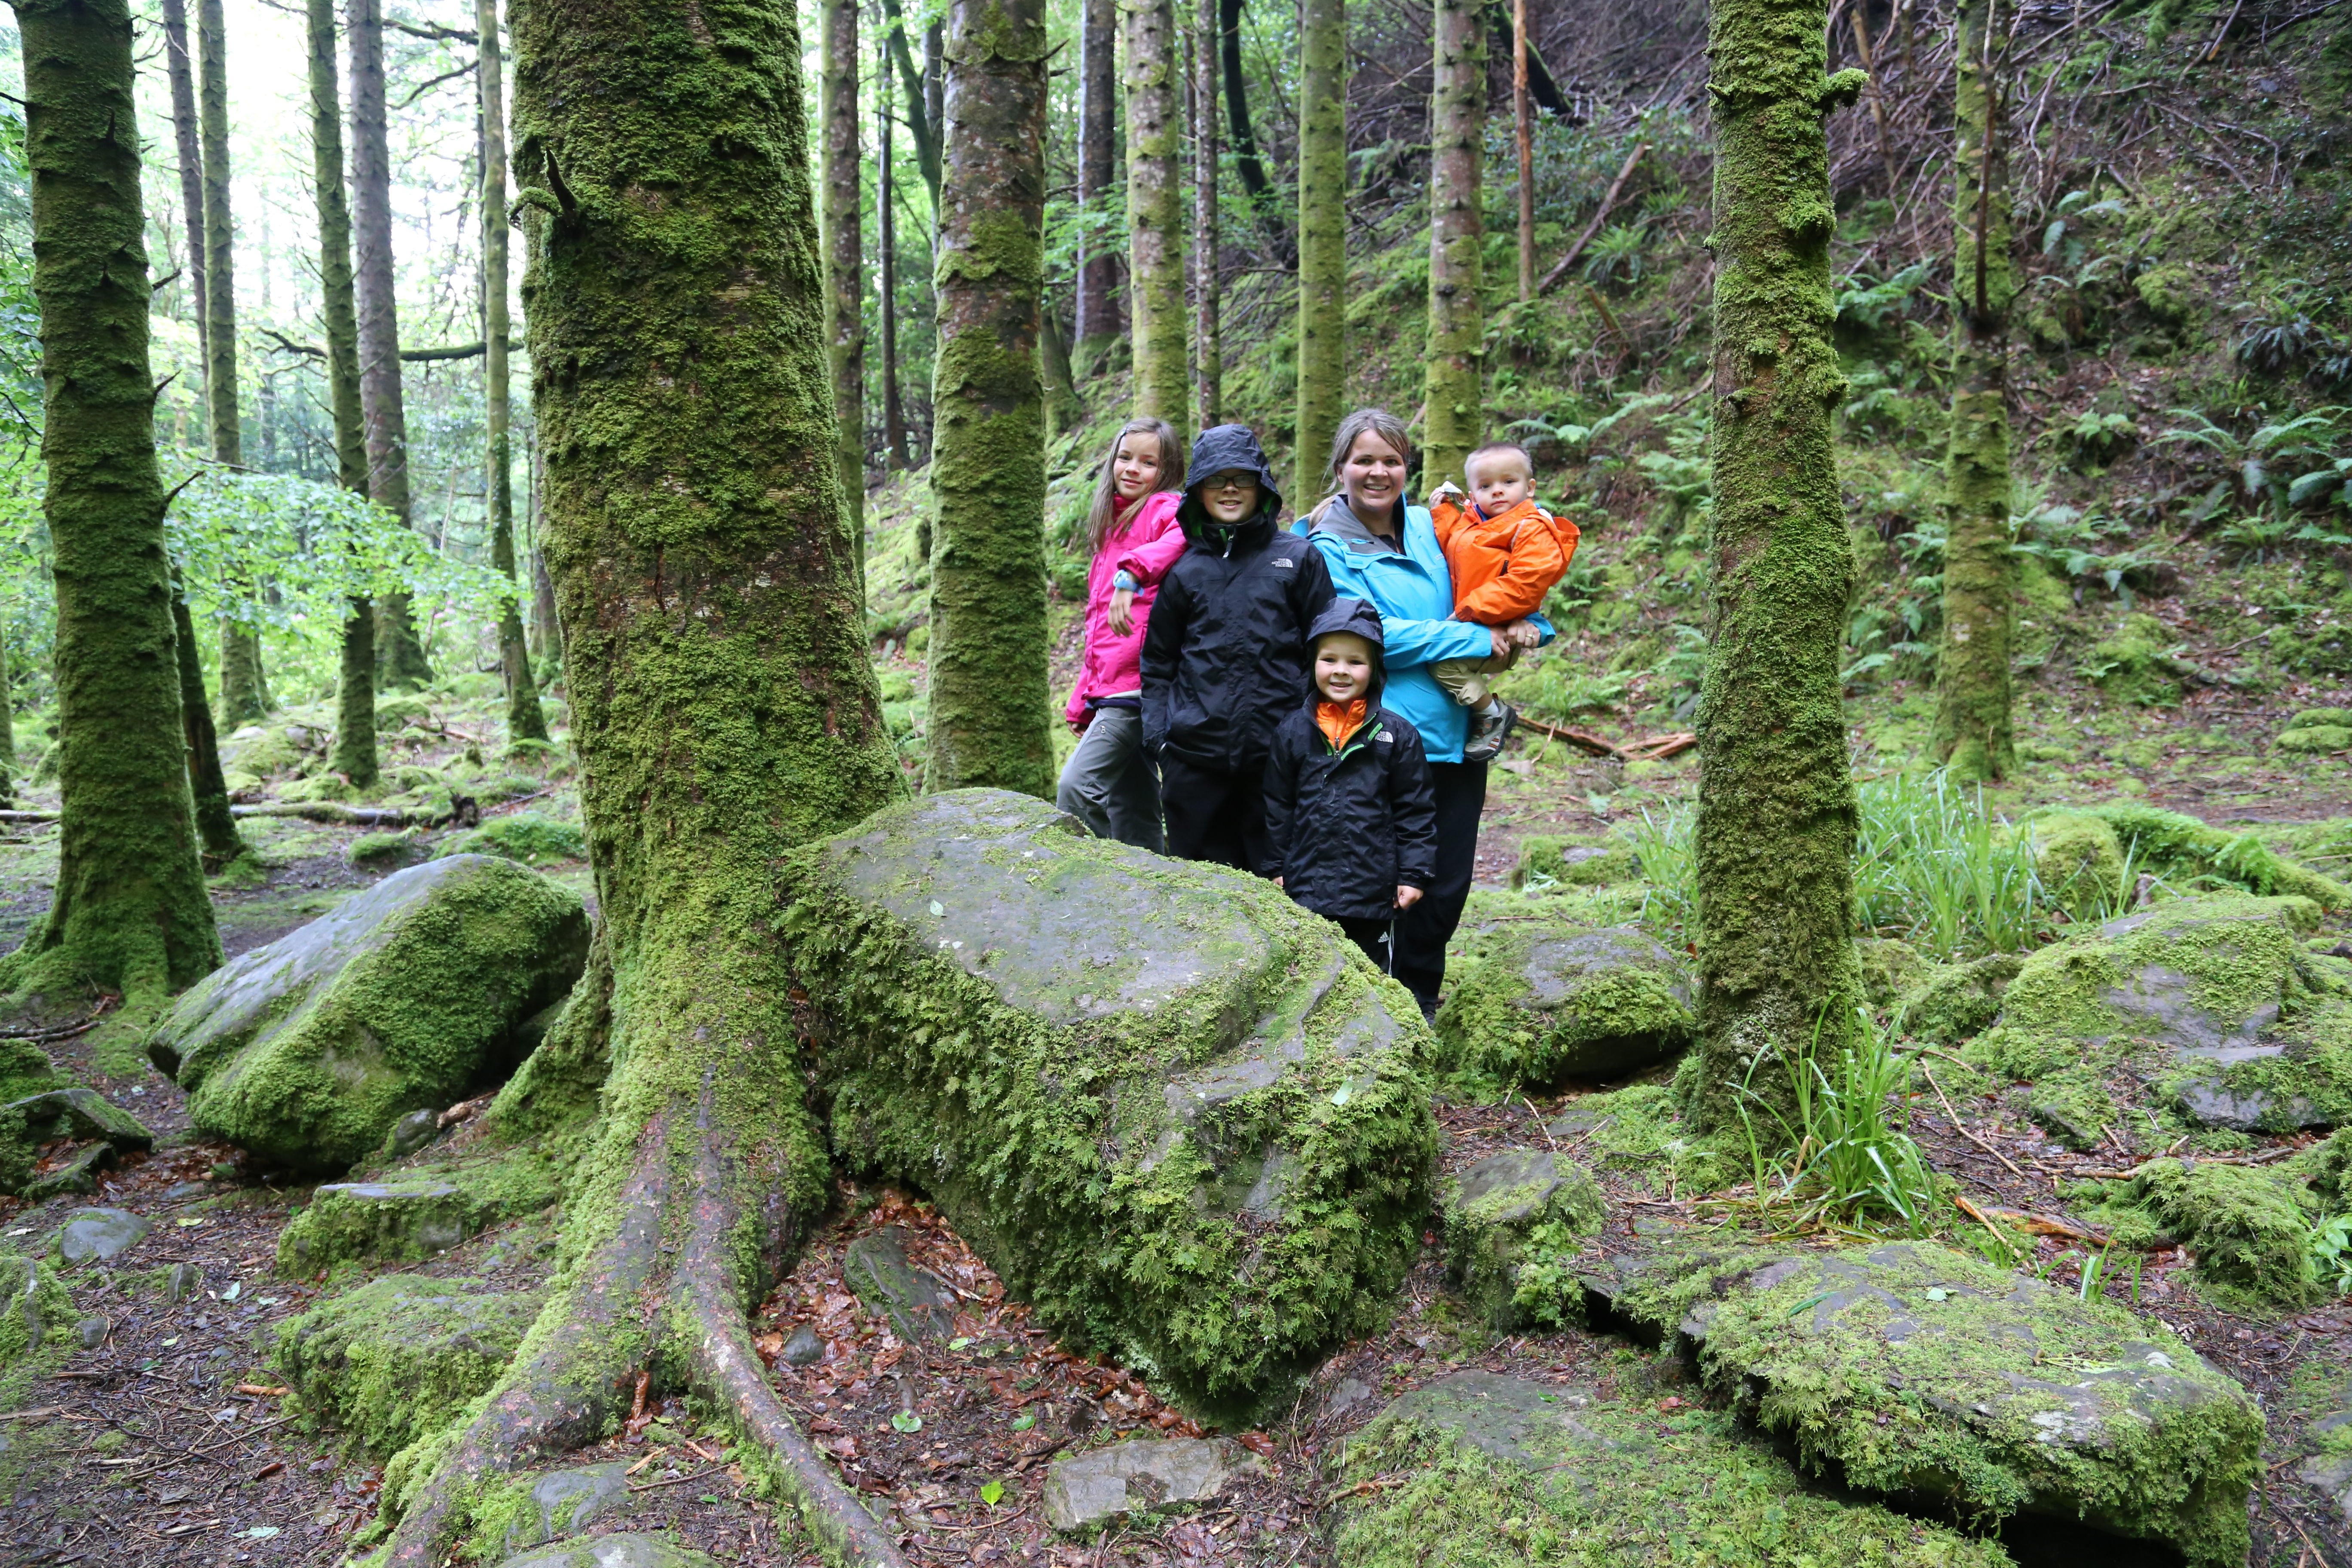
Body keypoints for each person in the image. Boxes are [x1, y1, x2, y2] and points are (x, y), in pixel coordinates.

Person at [1297, 408, 1548, 1020]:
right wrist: (1470, 641)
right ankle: (1367, 1007)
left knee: (1447, 884)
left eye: (1391, 460)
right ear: (1340, 468)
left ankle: (1420, 999)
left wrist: (1529, 624)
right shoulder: (1321, 546)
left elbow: (1501, 581)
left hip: (1454, 735)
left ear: (1408, 467)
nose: (1379, 472)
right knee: (1379, 877)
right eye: (1365, 460)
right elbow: (1366, 635)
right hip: (1373, 738)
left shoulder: (1438, 526)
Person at [1141, 424, 1334, 872]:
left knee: (1282, 888)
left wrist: (1312, 732)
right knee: (1198, 892)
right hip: (1194, 760)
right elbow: (1158, 661)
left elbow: (1325, 647)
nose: (1229, 490)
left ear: (1261, 485)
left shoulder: (1298, 558)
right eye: (1216, 480)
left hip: (1279, 759)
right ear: (1199, 491)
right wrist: (1159, 738)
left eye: (1242, 479)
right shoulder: (1185, 570)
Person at [1264, 599, 1436, 974]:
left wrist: (1414, 874)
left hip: (1374, 891)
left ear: (1374, 668)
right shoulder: (1292, 732)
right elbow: (1278, 806)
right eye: (1330, 659)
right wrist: (1276, 867)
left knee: (1374, 981)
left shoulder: (1397, 735)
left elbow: (1415, 811)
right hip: (1306, 888)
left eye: (1355, 662)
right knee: (1309, 978)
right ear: (1313, 663)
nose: (1341, 671)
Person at [1058, 418, 1188, 850]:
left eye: (1148, 462)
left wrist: (1132, 572)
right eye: (1125, 457)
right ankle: (1146, 888)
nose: (1132, 469)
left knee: (1077, 788)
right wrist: (1083, 699)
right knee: (1133, 805)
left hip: (1137, 691)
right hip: (1112, 690)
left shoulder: (1164, 510)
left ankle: (1093, 880)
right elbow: (1099, 631)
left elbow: (1187, 530)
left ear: (1165, 471)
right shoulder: (1111, 533)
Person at [1426, 440, 1580, 762]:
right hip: (1472, 624)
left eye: (1508, 482)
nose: (1497, 491)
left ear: (1530, 487)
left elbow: (1525, 584)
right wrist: (1442, 510)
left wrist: (1468, 611)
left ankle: (1492, 714)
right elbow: (1453, 547)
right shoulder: (1474, 522)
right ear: (1472, 493)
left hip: (1496, 631)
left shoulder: (1532, 527)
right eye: (1486, 485)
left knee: (1442, 663)